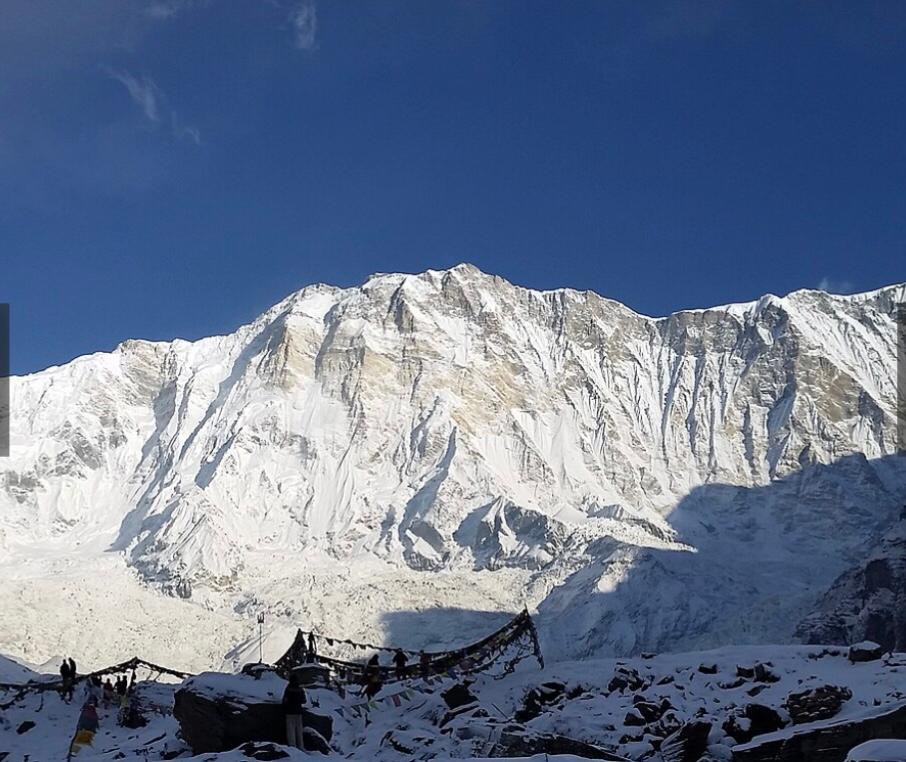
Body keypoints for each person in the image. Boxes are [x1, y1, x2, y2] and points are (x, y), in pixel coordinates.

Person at [282, 673, 306, 751]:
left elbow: (284, 700)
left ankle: (293, 747)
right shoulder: (300, 689)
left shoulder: (288, 688)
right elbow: (304, 700)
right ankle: (301, 746)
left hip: (289, 712)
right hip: (298, 712)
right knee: (299, 730)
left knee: (290, 730)